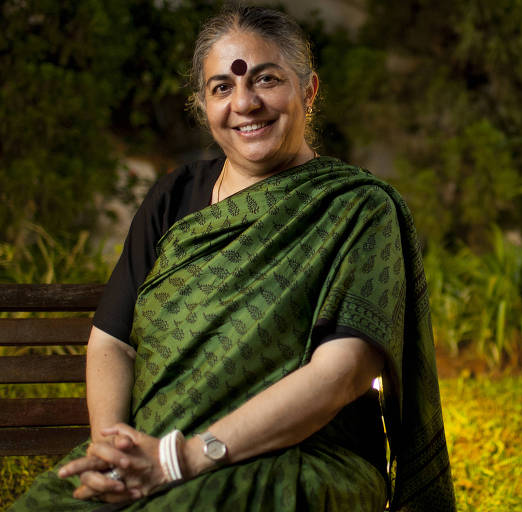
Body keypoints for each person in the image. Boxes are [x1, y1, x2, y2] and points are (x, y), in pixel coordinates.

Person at [9, 5, 455, 512]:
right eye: (222, 87)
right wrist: (117, 455)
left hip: (301, 459)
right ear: (204, 105)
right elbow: (113, 343)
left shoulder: (356, 209)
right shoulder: (173, 197)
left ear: (307, 91)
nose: (245, 103)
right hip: (152, 454)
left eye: (265, 79)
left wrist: (180, 460)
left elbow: (344, 371)